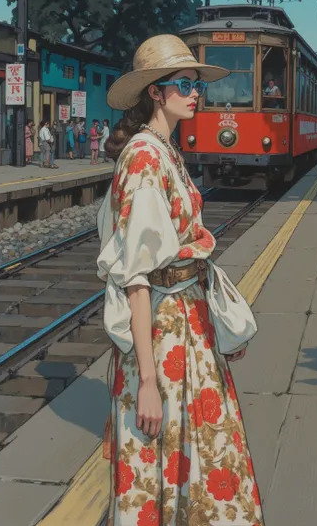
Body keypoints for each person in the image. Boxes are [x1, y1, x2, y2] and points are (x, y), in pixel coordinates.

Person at [97, 35, 264, 525]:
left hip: (186, 323)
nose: (196, 93)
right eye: (184, 84)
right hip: (165, 335)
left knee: (191, 449)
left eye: (196, 84)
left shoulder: (163, 150)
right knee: (177, 447)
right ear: (155, 92)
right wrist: (147, 380)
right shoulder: (147, 158)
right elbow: (138, 277)